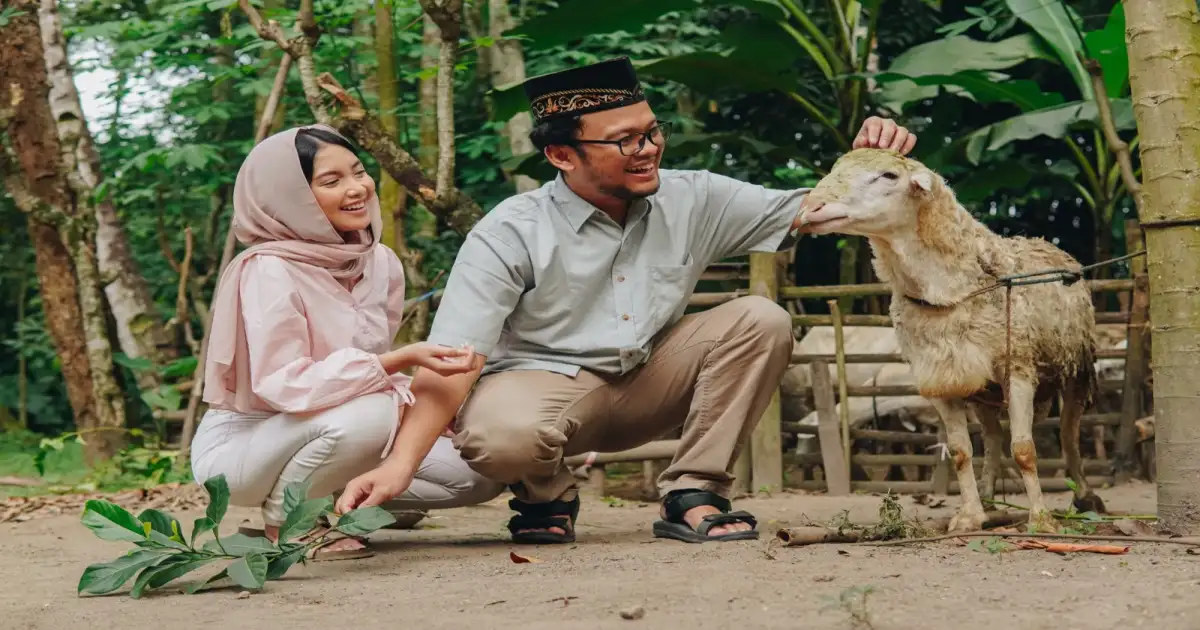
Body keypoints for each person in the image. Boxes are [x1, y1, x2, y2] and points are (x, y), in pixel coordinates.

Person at [335, 57, 917, 544]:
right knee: (498, 436)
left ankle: (694, 491)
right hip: (540, 390)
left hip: (650, 378)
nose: (647, 150)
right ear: (562, 156)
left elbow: (817, 208)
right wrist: (399, 466)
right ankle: (546, 499)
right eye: (624, 141)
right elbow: (452, 362)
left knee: (761, 318)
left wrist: (871, 159)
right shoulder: (511, 229)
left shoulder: (696, 198)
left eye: (651, 132)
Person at [191, 124, 505, 561]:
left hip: (340, 425)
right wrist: (399, 363)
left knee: (476, 473)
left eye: (358, 172)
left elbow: (368, 368)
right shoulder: (270, 269)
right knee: (371, 415)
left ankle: (349, 505)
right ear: (291, 195)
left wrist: (415, 407)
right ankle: (288, 523)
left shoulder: (380, 261)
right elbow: (283, 384)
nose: (357, 189)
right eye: (331, 181)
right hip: (246, 446)